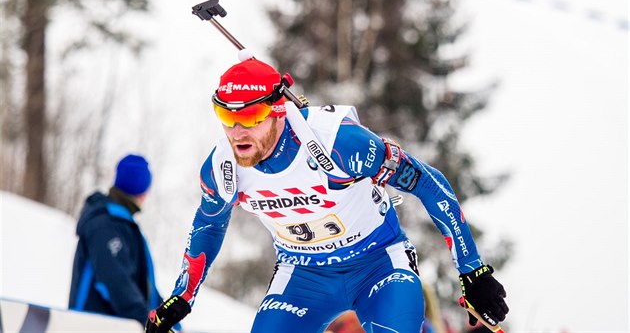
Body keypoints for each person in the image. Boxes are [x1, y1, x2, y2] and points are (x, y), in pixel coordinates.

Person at [145, 59, 509, 333]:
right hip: (303, 276)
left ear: (277, 112)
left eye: (251, 117)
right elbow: (207, 227)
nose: (237, 131)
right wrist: (182, 296)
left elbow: (429, 183)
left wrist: (472, 271)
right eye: (225, 115)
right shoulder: (223, 169)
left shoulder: (340, 144)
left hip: (378, 264)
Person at [69, 154, 164, 325]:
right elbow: (116, 283)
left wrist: (170, 319)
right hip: (90, 326)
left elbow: (146, 286)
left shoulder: (127, 227)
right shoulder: (104, 224)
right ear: (142, 191)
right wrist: (150, 323)